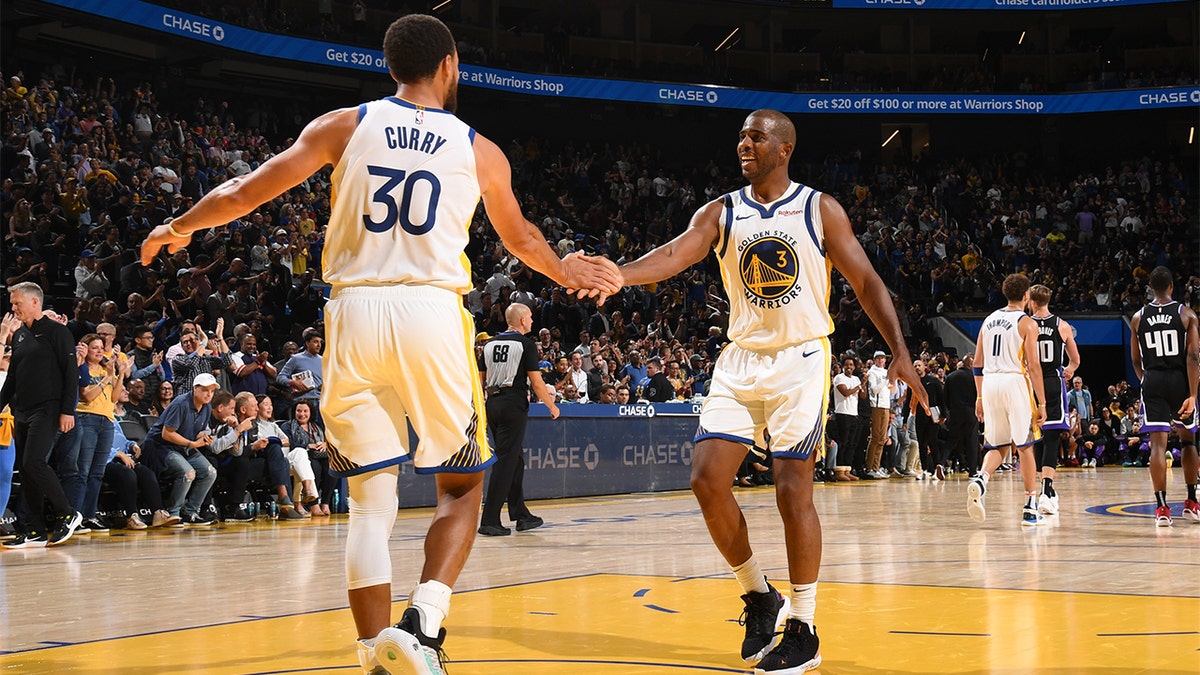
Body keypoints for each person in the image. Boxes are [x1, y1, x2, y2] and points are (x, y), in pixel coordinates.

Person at [139, 14, 619, 675]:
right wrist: (571, 270)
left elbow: (247, 190)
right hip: (430, 311)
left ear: (392, 67)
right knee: (462, 486)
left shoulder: (345, 124)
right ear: (449, 66)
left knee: (369, 500)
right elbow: (522, 239)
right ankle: (423, 620)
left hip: (352, 314)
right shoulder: (478, 146)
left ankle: (373, 652)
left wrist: (177, 224)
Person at [615, 109, 926, 673]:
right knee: (706, 480)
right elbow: (673, 254)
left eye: (756, 137)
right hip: (740, 358)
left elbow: (866, 281)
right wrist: (619, 273)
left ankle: (804, 626)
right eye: (741, 137)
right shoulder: (722, 211)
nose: (745, 144)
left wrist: (900, 353)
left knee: (791, 490)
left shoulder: (818, 208)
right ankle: (760, 595)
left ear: (784, 150)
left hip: (802, 357)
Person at [0, 284, 84, 548]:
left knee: (34, 462)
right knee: (25, 469)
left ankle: (68, 513)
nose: (13, 308)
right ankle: (34, 530)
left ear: (34, 302)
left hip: (47, 408)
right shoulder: (22, 335)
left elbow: (71, 374)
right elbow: (12, 377)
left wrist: (67, 410)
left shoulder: (58, 332)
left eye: (17, 303)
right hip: (21, 410)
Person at [967, 274, 1047, 526]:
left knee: (998, 444)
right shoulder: (1027, 323)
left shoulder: (988, 320)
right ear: (1026, 296)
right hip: (1015, 381)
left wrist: (979, 396)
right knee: (1025, 445)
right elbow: (1034, 366)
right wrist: (1042, 402)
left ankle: (982, 478)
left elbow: (977, 364)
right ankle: (1030, 505)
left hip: (990, 384)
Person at [477, 303, 559, 536]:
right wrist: (551, 406)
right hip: (513, 402)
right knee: (505, 461)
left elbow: (480, 380)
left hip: (492, 403)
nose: (532, 321)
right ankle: (490, 519)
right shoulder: (525, 344)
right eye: (531, 317)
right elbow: (536, 382)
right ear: (522, 320)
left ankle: (520, 514)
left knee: (515, 459)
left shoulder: (489, 344)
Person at [1129, 266, 1199, 526]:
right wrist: (1192, 394)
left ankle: (1161, 508)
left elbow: (1136, 360)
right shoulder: (1186, 314)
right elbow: (1193, 356)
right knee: (1188, 441)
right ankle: (1192, 502)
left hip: (1153, 379)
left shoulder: (1137, 317)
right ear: (1171, 286)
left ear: (1151, 288)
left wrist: (1145, 380)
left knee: (1158, 445)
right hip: (1180, 379)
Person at [1029, 284, 1081, 514]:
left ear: (1031, 301)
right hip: (1052, 381)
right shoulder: (1062, 325)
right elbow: (1076, 360)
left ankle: (1044, 489)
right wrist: (1068, 370)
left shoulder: (1025, 324)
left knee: (1035, 437)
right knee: (1051, 437)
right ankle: (1047, 489)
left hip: (1030, 383)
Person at [142, 374, 221, 526]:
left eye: (211, 391)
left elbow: (199, 429)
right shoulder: (181, 404)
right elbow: (167, 433)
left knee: (210, 472)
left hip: (182, 445)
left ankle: (190, 512)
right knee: (188, 473)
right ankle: (173, 513)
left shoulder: (206, 407)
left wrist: (205, 436)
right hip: (161, 446)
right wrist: (192, 444)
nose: (209, 394)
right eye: (205, 390)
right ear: (195, 389)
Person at [942, 354, 980, 477]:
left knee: (951, 441)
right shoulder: (975, 377)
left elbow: (945, 397)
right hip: (971, 412)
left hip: (955, 412)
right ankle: (973, 471)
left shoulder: (951, 376)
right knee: (972, 442)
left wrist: (949, 411)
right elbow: (978, 395)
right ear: (970, 364)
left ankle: (940, 463)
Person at [863, 350, 892, 478]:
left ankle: (876, 467)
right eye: (878, 358)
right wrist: (886, 380)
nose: (881, 360)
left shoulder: (886, 373)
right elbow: (874, 390)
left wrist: (892, 381)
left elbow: (891, 389)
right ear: (874, 360)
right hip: (876, 406)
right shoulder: (872, 372)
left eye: (883, 358)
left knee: (882, 439)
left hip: (886, 406)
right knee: (875, 438)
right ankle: (869, 468)